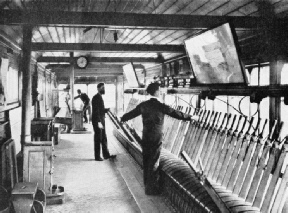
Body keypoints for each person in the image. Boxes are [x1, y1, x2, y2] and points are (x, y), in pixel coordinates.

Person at [120, 82, 196, 195]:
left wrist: (122, 118)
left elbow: (130, 114)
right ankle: (152, 189)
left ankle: (147, 185)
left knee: (146, 160)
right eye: (159, 90)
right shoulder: (161, 106)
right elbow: (175, 113)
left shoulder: (143, 105)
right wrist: (191, 117)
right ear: (156, 92)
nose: (160, 92)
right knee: (154, 161)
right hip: (156, 138)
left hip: (145, 136)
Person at [91, 83, 116, 161]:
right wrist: (99, 122)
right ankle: (97, 156)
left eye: (104, 87)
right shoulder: (96, 97)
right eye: (102, 88)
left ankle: (106, 155)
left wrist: (106, 109)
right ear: (98, 88)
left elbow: (100, 109)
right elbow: (96, 111)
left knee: (104, 138)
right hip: (98, 121)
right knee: (98, 138)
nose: (104, 89)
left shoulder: (99, 97)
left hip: (101, 120)